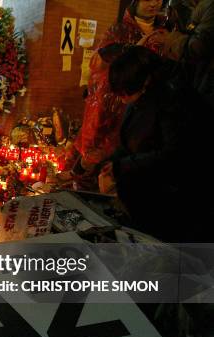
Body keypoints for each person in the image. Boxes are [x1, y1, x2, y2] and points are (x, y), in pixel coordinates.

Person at [99, 46, 213, 242]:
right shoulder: (142, 97)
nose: (122, 100)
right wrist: (113, 162)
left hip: (178, 200)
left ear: (144, 82)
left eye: (125, 94)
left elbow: (174, 155)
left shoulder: (175, 100)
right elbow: (130, 138)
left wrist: (122, 167)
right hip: (149, 192)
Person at [73, 0, 167, 187]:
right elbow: (98, 64)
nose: (154, 3)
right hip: (116, 103)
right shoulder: (119, 31)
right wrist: (130, 52)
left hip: (151, 106)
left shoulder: (167, 30)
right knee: (101, 151)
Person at [154, 0, 214, 110]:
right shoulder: (184, 4)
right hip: (194, 80)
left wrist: (170, 39)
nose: (153, 4)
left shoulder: (209, 5)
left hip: (206, 85)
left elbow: (197, 48)